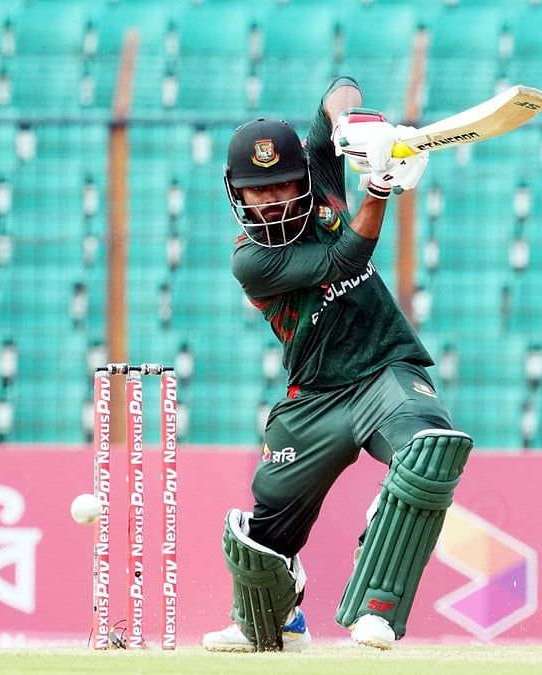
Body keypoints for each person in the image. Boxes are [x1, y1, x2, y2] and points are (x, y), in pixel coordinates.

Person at [201, 76, 474, 653]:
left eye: (282, 184)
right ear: (237, 194)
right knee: (262, 538)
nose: (272, 199)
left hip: (384, 369)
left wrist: (358, 127)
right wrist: (378, 186)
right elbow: (348, 253)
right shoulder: (251, 260)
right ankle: (273, 621)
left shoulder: (322, 175)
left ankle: (377, 604)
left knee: (430, 451)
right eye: (258, 191)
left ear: (304, 176)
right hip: (315, 397)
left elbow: (338, 91)